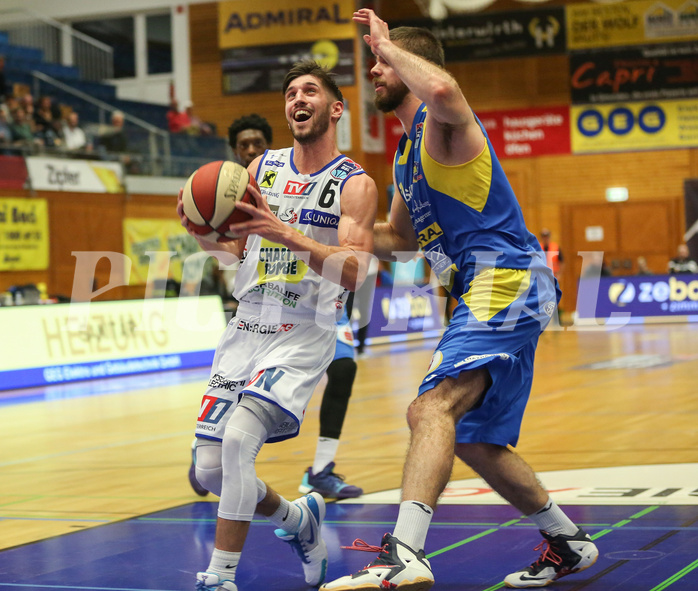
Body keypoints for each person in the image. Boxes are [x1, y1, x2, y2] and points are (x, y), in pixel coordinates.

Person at [321, 10, 599, 591]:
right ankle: (567, 542)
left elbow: (443, 84)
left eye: (381, 60)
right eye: (373, 60)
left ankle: (405, 554)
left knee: (429, 409)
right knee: (474, 438)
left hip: (505, 278)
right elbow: (398, 239)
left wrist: (386, 41)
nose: (373, 70)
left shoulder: (443, 118)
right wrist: (313, 228)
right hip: (480, 288)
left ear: (409, 63)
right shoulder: (404, 157)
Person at [178, 59, 378, 591]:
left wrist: (284, 231)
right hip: (246, 325)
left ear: (335, 108)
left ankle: (219, 576)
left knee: (241, 441)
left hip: (303, 329)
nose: (298, 99)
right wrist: (200, 232)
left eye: (310, 90)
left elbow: (355, 270)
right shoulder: (259, 168)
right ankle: (298, 520)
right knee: (211, 470)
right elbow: (235, 251)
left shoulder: (354, 184)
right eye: (291, 92)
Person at [188, 112, 364, 501]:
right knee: (232, 427)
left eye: (257, 144)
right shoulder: (240, 188)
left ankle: (321, 468)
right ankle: (209, 442)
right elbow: (231, 256)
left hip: (319, 301)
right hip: (264, 307)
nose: (251, 150)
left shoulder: (335, 177)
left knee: (345, 367)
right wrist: (204, 233)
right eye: (243, 146)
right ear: (235, 152)